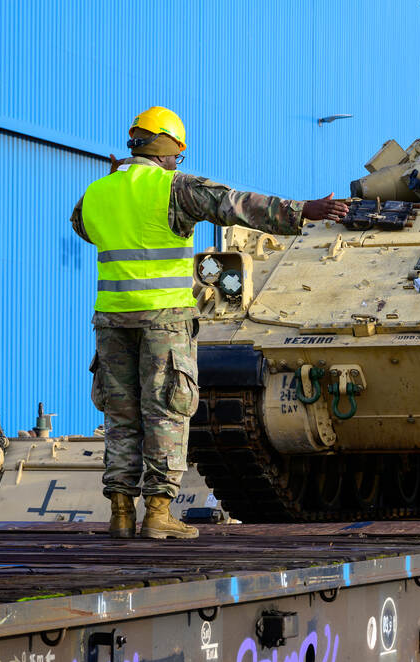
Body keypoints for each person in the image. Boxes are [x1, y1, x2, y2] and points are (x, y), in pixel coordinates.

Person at [72, 107, 348, 539]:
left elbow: (82, 227)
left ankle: (121, 513)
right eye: (177, 156)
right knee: (166, 411)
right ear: (168, 150)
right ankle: (159, 515)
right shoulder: (175, 188)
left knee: (121, 415)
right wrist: (302, 210)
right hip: (163, 320)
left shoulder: (97, 191)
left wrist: (115, 187)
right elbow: (232, 204)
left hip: (111, 320)